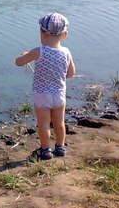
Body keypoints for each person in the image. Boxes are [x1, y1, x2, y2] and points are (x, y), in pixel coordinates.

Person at [14, 12, 76, 161]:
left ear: (42, 32)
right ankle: (60, 147)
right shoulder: (66, 52)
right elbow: (71, 73)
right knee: (59, 123)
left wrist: (25, 54)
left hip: (42, 95)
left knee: (43, 124)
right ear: (65, 34)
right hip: (59, 94)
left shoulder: (38, 51)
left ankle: (46, 150)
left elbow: (18, 62)